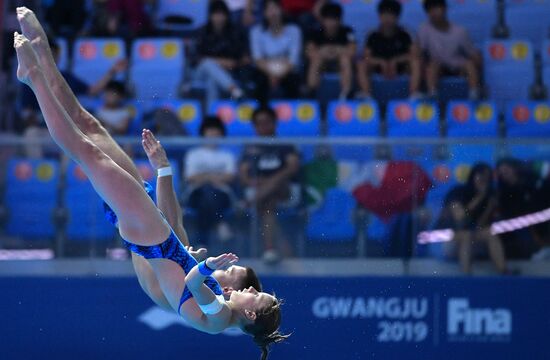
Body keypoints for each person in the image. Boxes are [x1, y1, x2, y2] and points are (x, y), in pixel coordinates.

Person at [15, 8, 287, 357]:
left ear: (250, 311)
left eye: (253, 293)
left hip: (151, 239)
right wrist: (163, 170)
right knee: (92, 130)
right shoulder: (214, 298)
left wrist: (206, 266)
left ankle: (33, 77)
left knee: (87, 152)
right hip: (157, 234)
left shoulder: (220, 320)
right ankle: (42, 55)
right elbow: (177, 230)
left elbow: (193, 283)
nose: (246, 289)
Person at [19, 40, 128, 158]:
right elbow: (27, 114)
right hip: (45, 133)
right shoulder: (30, 80)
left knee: (77, 140)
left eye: (53, 55)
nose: (49, 58)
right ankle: (38, 172)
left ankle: (65, 175)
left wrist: (112, 71)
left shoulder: (66, 78)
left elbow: (93, 91)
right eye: (44, 54)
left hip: (68, 131)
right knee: (30, 134)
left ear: (58, 57)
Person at [239, 106, 300, 263]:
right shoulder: (250, 148)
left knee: (275, 188)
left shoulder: (285, 145)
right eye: (259, 123)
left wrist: (272, 181)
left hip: (284, 189)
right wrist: (259, 183)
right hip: (261, 191)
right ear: (254, 126)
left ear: (274, 123)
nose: (263, 126)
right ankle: (273, 248)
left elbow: (292, 167)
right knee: (268, 205)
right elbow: (244, 175)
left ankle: (250, 203)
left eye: (267, 122)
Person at [438, 163, 509, 274]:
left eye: (487, 178)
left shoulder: (489, 196)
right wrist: (479, 197)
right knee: (466, 235)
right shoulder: (457, 192)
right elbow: (461, 218)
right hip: (448, 240)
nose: (483, 180)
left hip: (474, 241)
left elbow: (480, 225)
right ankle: (466, 277)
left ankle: (504, 272)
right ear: (473, 175)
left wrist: (489, 207)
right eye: (481, 176)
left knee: (490, 233)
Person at [183, 116, 237, 246]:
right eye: (210, 131)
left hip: (222, 194)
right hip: (195, 193)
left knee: (208, 195)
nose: (213, 134)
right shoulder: (193, 154)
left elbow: (230, 177)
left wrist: (204, 176)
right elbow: (190, 177)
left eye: (216, 131)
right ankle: (221, 223)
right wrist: (215, 177)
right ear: (203, 133)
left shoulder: (227, 155)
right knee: (205, 193)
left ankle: (202, 244)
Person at [356, 0, 421, 99]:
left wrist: (396, 61)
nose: (387, 19)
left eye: (391, 15)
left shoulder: (407, 34)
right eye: (384, 15)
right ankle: (366, 96)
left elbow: (415, 55)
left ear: (397, 17)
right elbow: (366, 57)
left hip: (401, 68)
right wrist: (381, 62)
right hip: (379, 68)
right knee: (361, 64)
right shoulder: (372, 35)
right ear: (379, 16)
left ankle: (413, 95)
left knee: (416, 62)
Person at [417, 0, 482, 100]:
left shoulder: (460, 31)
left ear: (444, 9)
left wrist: (477, 61)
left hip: (457, 65)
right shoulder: (424, 29)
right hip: (438, 65)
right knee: (432, 67)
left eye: (436, 9)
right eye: (430, 10)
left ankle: (474, 93)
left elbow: (472, 53)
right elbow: (420, 52)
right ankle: (432, 94)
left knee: (470, 65)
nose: (434, 13)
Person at [195, 0, 246, 109]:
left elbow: (236, 61)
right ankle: (233, 89)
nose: (219, 18)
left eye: (222, 14)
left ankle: (211, 117)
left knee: (212, 82)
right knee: (207, 63)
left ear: (227, 15)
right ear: (210, 16)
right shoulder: (202, 32)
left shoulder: (234, 32)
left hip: (225, 74)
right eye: (215, 14)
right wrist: (220, 62)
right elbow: (197, 59)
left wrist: (225, 63)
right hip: (200, 74)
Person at [250, 0, 302, 102]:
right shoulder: (256, 31)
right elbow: (258, 60)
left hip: (287, 71)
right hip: (265, 71)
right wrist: (272, 73)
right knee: (259, 81)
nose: (273, 13)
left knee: (292, 81)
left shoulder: (294, 30)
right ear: (264, 13)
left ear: (282, 10)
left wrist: (277, 74)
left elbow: (293, 60)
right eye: (269, 9)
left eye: (275, 8)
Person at [305, 2, 356, 99]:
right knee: (316, 59)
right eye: (329, 19)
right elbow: (309, 52)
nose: (332, 23)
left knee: (345, 59)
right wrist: (323, 52)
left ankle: (346, 93)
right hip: (322, 65)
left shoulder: (347, 31)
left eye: (335, 19)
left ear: (340, 20)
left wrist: (334, 50)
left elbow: (352, 51)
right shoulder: (315, 32)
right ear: (323, 20)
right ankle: (311, 92)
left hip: (339, 65)